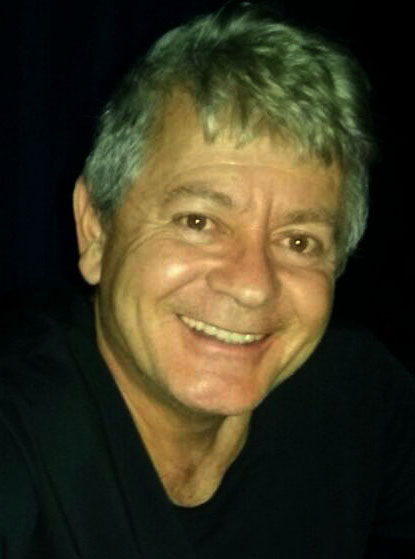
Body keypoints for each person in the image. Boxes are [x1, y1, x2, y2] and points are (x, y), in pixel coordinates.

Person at [1, 4, 414, 558]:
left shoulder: (358, 396)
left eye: (299, 241)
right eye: (198, 222)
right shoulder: (18, 432)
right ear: (95, 229)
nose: (252, 285)